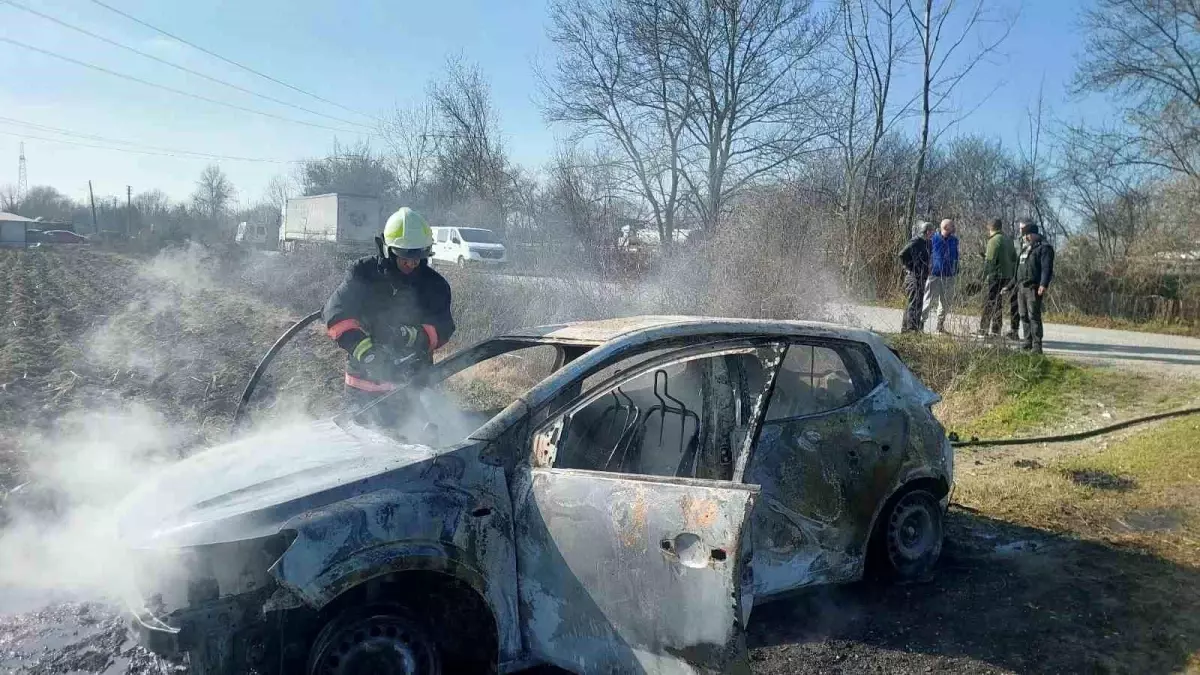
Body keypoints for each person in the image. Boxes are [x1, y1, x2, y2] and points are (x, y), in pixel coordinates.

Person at [323, 207, 455, 428]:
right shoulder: (363, 274)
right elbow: (337, 316)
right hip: (362, 389)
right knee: (361, 448)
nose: (412, 264)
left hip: (411, 388)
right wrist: (368, 354)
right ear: (388, 251)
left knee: (414, 451)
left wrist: (413, 337)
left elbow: (443, 327)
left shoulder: (435, 285)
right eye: (405, 259)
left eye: (419, 257)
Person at [1015, 222, 1055, 354]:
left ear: (1035, 234)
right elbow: (1018, 268)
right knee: (1023, 315)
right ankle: (1027, 341)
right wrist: (1012, 284)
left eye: (1027, 235)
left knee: (1034, 316)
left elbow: (1046, 268)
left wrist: (1043, 284)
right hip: (1021, 286)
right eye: (1024, 235)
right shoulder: (1025, 248)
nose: (1025, 237)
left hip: (1033, 287)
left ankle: (1037, 346)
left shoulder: (1044, 248)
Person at [977, 218, 1018, 337]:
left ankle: (983, 330)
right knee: (998, 303)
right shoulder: (1008, 240)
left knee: (989, 303)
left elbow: (989, 261)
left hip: (995, 276)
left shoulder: (993, 240)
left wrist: (980, 278)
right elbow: (1014, 258)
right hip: (1008, 277)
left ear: (989, 227)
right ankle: (996, 330)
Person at [921, 218, 959, 334]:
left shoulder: (954, 240)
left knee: (945, 302)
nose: (954, 227)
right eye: (952, 226)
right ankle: (920, 324)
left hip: (949, 275)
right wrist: (927, 268)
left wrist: (956, 269)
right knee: (928, 300)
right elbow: (926, 255)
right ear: (946, 227)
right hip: (934, 274)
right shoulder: (933, 239)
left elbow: (956, 256)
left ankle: (940, 326)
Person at [899, 220, 935, 332]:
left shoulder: (928, 243)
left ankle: (910, 327)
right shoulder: (916, 241)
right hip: (913, 277)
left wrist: (928, 268)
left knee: (918, 302)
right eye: (932, 231)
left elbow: (928, 258)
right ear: (927, 231)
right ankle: (910, 329)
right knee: (913, 302)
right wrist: (908, 267)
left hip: (922, 277)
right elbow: (902, 254)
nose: (933, 234)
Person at [1004, 220, 1030, 340]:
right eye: (1020, 228)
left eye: (1023, 228)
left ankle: (1030, 334)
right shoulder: (1016, 242)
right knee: (1014, 304)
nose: (1021, 231)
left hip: (1028, 279)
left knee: (1028, 308)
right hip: (1015, 277)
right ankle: (1014, 330)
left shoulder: (1034, 242)